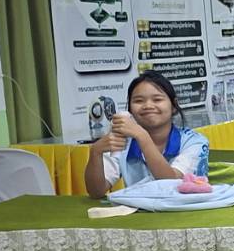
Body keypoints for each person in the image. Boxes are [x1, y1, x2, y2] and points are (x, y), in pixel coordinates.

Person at [83, 72, 211, 198]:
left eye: (157, 99)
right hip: (137, 211)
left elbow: (171, 183)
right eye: (138, 101)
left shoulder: (195, 142)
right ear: (130, 109)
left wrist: (143, 137)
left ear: (173, 106)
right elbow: (96, 192)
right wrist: (95, 152)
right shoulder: (123, 140)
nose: (148, 106)